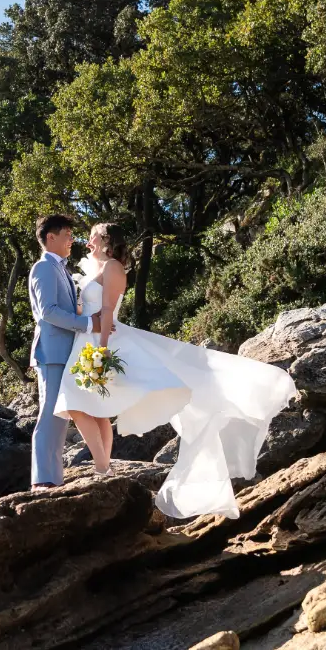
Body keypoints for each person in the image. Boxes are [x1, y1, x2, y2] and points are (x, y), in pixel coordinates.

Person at [52, 221, 297, 519]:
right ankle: (103, 467)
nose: (86, 241)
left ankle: (102, 467)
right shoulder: (96, 268)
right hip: (85, 341)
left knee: (76, 405)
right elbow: (86, 310)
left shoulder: (114, 267)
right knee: (92, 408)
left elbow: (107, 311)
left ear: (104, 240)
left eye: (92, 236)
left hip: (101, 342)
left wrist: (101, 351)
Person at [27, 213, 94, 487]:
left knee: (60, 417)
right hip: (52, 352)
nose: (72, 240)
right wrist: (88, 323)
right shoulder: (43, 267)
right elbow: (49, 312)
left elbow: (65, 309)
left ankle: (52, 479)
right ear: (50, 237)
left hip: (64, 352)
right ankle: (42, 481)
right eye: (67, 235)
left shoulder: (61, 269)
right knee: (50, 414)